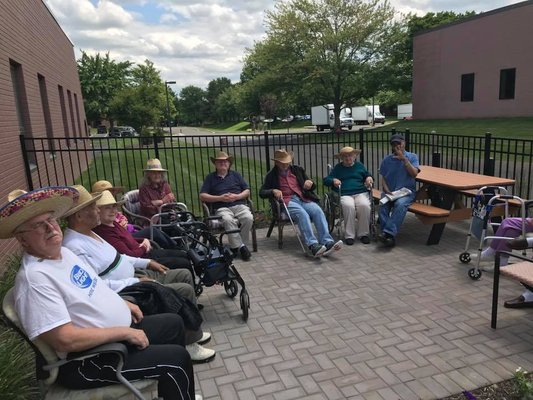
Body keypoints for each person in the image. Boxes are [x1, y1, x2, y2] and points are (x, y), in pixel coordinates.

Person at [0, 186, 198, 400]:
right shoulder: (35, 280)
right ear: (22, 239)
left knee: (173, 323)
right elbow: (65, 340)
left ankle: (174, 392)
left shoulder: (64, 254)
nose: (51, 228)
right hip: (90, 360)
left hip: (112, 338)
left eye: (51, 220)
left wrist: (124, 305)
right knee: (176, 360)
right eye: (39, 225)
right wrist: (125, 333)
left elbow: (98, 285)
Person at [62, 185, 215, 363]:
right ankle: (189, 344)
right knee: (184, 289)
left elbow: (119, 258)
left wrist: (148, 262)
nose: (98, 210)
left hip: (136, 276)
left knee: (182, 274)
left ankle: (192, 330)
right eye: (93, 207)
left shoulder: (89, 234)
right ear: (79, 215)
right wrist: (134, 281)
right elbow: (98, 286)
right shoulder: (74, 246)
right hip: (129, 289)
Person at [259, 149, 343, 258]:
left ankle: (327, 241)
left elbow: (312, 186)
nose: (285, 165)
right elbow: (262, 192)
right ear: (276, 162)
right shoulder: (271, 175)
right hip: (287, 201)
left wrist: (310, 183)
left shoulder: (297, 170)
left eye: (287, 162)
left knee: (317, 210)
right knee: (302, 214)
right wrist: (273, 191)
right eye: (282, 163)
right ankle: (313, 245)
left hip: (303, 198)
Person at [93, 189, 193, 273]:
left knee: (184, 255)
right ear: (98, 211)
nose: (113, 211)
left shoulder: (113, 223)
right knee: (184, 262)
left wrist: (143, 240)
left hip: (146, 253)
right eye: (107, 208)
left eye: (114, 206)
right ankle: (194, 291)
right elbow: (128, 256)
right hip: (142, 262)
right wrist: (144, 247)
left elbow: (129, 238)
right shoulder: (105, 232)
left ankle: (202, 273)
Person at [92, 179, 179, 249]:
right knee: (152, 231)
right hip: (123, 236)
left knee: (164, 227)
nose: (110, 194)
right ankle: (175, 248)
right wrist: (121, 225)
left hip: (128, 231)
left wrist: (123, 221)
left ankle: (175, 247)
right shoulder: (99, 212)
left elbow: (121, 217)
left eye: (111, 192)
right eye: (106, 192)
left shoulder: (111, 208)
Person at [200, 151, 253, 261]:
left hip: (238, 204)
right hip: (221, 207)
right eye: (220, 161)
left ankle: (237, 246)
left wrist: (237, 196)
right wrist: (220, 198)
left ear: (229, 164)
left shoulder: (236, 175)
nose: (223, 163)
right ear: (215, 164)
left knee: (248, 217)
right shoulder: (210, 178)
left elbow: (247, 191)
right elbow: (202, 196)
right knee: (227, 219)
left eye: (225, 161)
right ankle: (242, 248)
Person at [323, 146, 373, 245]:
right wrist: (333, 180)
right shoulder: (338, 168)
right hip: (345, 193)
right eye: (345, 156)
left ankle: (364, 234)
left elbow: (368, 175)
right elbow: (326, 180)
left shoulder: (359, 166)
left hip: (360, 192)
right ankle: (349, 235)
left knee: (365, 205)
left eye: (350, 155)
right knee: (348, 206)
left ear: (354, 156)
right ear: (341, 158)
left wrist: (368, 178)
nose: (348, 158)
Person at [378, 133, 420, 248]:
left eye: (399, 143)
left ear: (404, 143)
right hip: (390, 192)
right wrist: (386, 189)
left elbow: (414, 174)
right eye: (394, 144)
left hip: (406, 193)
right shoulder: (387, 160)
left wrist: (404, 159)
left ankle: (388, 234)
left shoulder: (412, 157)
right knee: (382, 205)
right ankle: (388, 236)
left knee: (400, 204)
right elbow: (384, 178)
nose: (397, 146)